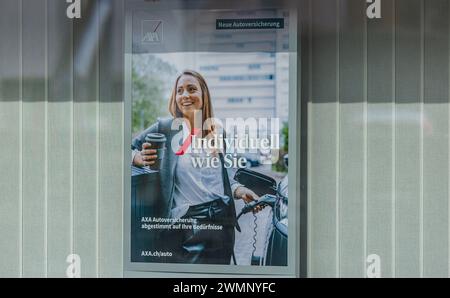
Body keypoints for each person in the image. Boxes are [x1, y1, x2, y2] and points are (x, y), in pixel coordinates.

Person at [131, 70, 261, 264]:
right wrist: (136, 157)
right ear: (175, 98)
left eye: (192, 89)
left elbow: (223, 179)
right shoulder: (166, 128)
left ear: (203, 95)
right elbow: (126, 147)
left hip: (222, 222)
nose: (185, 95)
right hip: (188, 225)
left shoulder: (218, 133)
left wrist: (240, 190)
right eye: (180, 91)